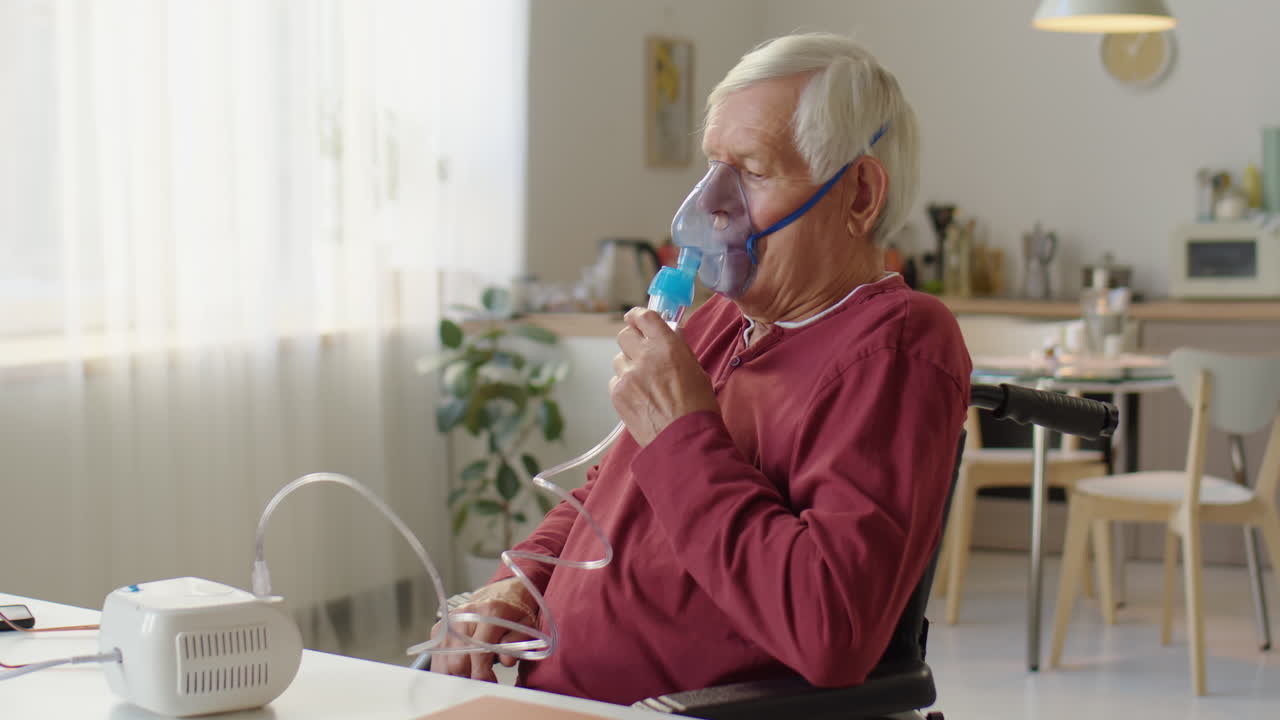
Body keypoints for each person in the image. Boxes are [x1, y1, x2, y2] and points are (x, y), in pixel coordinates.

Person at [430, 32, 971, 706]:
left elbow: (830, 627)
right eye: (714, 165)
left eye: (751, 169)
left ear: (859, 195)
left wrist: (683, 430)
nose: (712, 201)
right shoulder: (720, 319)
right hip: (560, 697)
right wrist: (521, 579)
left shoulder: (896, 348)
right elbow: (609, 496)